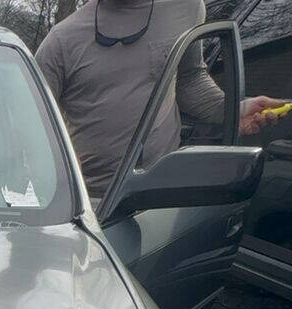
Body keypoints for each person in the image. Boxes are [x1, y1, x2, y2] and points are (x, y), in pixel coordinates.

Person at [36, 0, 286, 200]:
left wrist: (235, 109)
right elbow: (28, 121)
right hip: (89, 201)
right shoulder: (61, 40)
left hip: (162, 193)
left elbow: (189, 79)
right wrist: (54, 161)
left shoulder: (185, 8)